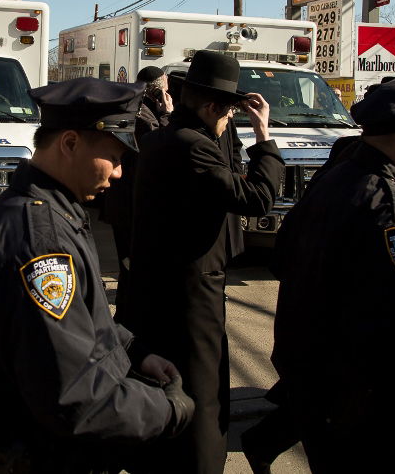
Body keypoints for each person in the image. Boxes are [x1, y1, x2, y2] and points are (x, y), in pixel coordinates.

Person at [0, 78, 195, 473]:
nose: (118, 173)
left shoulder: (55, 210)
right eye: (114, 157)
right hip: (34, 455)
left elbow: (83, 321)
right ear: (70, 143)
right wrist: (170, 409)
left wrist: (134, 353)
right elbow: (75, 398)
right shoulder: (39, 240)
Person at [249, 70, 395, 473]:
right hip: (365, 402)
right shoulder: (390, 208)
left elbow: (282, 259)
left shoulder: (336, 177)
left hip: (314, 386)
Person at [118, 50, 285, 474]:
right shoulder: (190, 146)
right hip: (188, 296)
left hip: (160, 287)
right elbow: (257, 199)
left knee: (165, 383)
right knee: (200, 391)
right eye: (228, 112)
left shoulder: (167, 138)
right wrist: (264, 137)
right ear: (212, 107)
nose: (231, 121)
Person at [99, 65, 173, 303]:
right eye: (166, 88)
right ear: (159, 91)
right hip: (133, 202)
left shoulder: (134, 108)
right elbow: (163, 149)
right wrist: (167, 115)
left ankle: (131, 301)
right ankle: (131, 307)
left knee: (131, 260)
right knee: (134, 261)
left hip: (127, 201)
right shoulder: (144, 116)